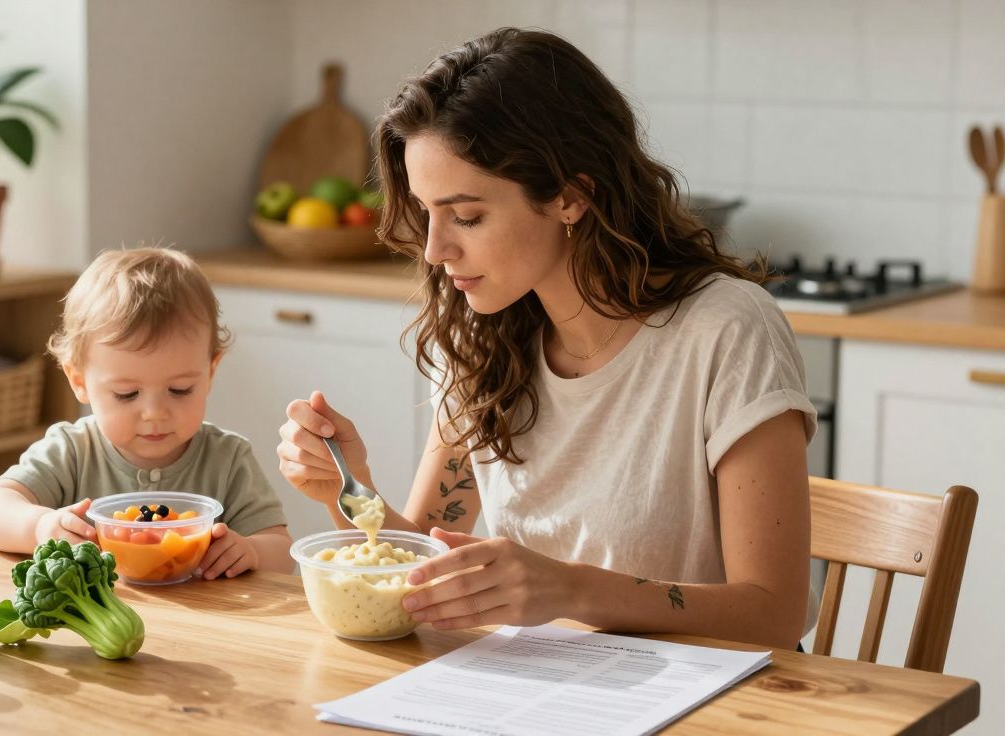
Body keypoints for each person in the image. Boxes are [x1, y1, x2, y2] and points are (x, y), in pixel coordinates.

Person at [277, 28, 817, 649]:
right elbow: (424, 571)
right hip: (550, 687)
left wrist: (570, 589)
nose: (435, 249)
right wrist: (346, 489)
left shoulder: (727, 330)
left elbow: (772, 615)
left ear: (569, 195)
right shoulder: (481, 335)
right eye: (428, 213)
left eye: (468, 216)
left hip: (715, 698)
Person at [0, 247, 293, 578]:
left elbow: (282, 550)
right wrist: (39, 527)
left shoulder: (228, 459)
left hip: (200, 625)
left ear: (210, 373)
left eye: (180, 389)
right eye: (127, 394)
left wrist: (251, 551)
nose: (154, 413)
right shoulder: (72, 451)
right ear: (78, 381)